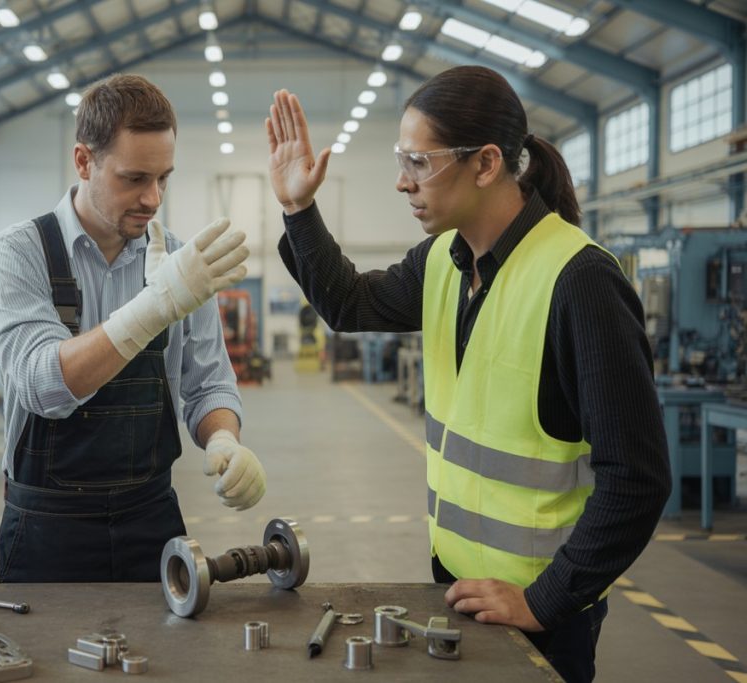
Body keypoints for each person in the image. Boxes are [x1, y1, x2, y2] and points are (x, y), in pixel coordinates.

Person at [265, 66, 670, 682]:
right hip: (455, 592)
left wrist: (546, 599)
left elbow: (637, 478)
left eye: (419, 163)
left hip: (542, 619)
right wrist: (298, 206)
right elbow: (347, 302)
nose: (402, 183)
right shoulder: (444, 263)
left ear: (485, 164)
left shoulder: (579, 281)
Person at [0, 74, 266, 584]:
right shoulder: (18, 254)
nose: (153, 198)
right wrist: (156, 305)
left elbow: (209, 385)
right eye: (134, 178)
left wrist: (225, 439)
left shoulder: (181, 263)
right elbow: (41, 385)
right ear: (84, 161)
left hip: (150, 520)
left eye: (164, 178)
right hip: (48, 528)